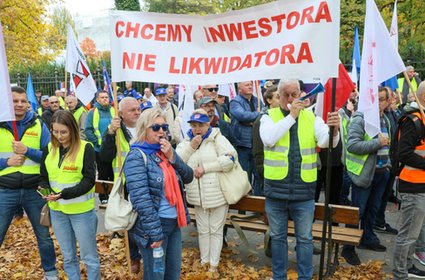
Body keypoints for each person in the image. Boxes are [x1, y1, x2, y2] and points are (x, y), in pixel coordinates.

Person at [259, 79, 340, 280]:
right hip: (276, 191)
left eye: (294, 94)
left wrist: (335, 131)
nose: (290, 98)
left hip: (303, 192)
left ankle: (305, 277)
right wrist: (291, 117)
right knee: (278, 239)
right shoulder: (268, 117)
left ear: (302, 94)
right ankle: (279, 277)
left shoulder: (312, 118)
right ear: (277, 96)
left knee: (304, 240)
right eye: (285, 94)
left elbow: (326, 141)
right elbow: (269, 139)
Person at [123, 107, 193, 280]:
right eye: (156, 127)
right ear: (144, 129)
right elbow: (141, 200)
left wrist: (172, 156)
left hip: (174, 222)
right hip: (155, 226)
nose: (161, 131)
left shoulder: (165, 151)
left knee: (172, 273)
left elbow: (189, 176)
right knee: (156, 275)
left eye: (164, 127)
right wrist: (155, 233)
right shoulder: (136, 156)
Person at [0, 86, 58, 280]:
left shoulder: (38, 124)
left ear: (28, 103)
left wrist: (27, 151)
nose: (19, 104)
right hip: (5, 191)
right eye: (15, 101)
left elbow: (50, 156)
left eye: (23, 101)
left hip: (34, 191)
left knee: (43, 237)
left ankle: (50, 273)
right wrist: (6, 162)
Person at [39, 110, 100, 279]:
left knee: (89, 257)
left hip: (81, 212)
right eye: (55, 131)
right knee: (68, 256)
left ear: (72, 129)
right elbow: (44, 177)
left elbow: (88, 181)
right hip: (57, 211)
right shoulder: (49, 149)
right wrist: (44, 190)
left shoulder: (85, 147)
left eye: (63, 132)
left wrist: (63, 194)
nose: (59, 136)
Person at [176, 109, 237, 273]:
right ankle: (204, 262)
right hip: (197, 196)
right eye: (194, 125)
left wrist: (206, 168)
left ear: (208, 123)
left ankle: (213, 266)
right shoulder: (187, 140)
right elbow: (177, 162)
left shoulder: (217, 138)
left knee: (216, 230)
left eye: (201, 125)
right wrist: (191, 147)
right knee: (203, 230)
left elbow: (231, 159)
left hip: (218, 193)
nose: (197, 129)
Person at [341, 87, 392, 265]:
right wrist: (377, 143)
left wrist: (388, 165)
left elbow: (388, 145)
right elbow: (352, 145)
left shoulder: (384, 118)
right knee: (358, 212)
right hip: (363, 174)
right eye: (377, 99)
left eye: (384, 99)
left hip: (381, 173)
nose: (381, 102)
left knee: (373, 209)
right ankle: (348, 247)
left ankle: (367, 238)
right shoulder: (360, 118)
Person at [99, 97, 142, 273]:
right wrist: (110, 132)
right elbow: (105, 156)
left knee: (145, 220)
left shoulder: (146, 126)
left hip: (144, 180)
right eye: (132, 110)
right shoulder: (116, 131)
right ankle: (134, 257)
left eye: (138, 109)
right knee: (129, 223)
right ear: (121, 114)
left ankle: (147, 254)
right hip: (126, 182)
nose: (137, 112)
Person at [392, 81, 425, 279]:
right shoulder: (414, 120)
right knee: (408, 235)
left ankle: (408, 266)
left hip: (420, 184)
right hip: (412, 185)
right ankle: (399, 273)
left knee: (414, 232)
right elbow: (403, 153)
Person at [230, 81, 264, 196]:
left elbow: (265, 114)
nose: (250, 86)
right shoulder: (235, 101)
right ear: (239, 88)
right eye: (247, 85)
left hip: (256, 144)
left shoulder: (257, 100)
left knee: (259, 175)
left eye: (250, 84)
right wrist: (257, 116)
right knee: (244, 178)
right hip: (242, 145)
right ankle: (242, 209)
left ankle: (257, 204)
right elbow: (242, 116)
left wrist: (252, 120)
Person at [85, 90, 115, 205]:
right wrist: (96, 143)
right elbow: (88, 129)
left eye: (106, 97)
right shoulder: (92, 112)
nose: (105, 99)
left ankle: (113, 195)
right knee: (103, 173)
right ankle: (103, 196)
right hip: (99, 149)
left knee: (113, 172)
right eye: (102, 97)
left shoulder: (113, 110)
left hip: (113, 148)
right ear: (97, 100)